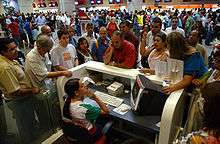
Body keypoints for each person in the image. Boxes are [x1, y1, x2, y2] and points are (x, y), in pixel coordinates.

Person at [0, 37, 40, 143]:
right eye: (12, 49)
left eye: (16, 47)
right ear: (3, 52)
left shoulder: (10, 60)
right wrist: (32, 90)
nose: (16, 50)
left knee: (30, 123)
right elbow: (14, 91)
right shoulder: (5, 67)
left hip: (24, 100)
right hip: (19, 101)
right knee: (25, 127)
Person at [62, 78, 109, 143]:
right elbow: (106, 111)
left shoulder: (67, 100)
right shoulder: (85, 109)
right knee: (104, 123)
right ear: (76, 93)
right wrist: (95, 97)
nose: (85, 86)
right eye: (82, 86)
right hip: (89, 134)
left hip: (77, 132)